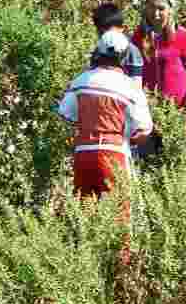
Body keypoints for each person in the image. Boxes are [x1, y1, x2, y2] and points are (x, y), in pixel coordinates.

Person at [57, 29, 153, 202]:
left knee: (85, 216)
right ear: (124, 56)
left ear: (98, 52)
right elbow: (143, 130)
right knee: (119, 218)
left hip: (83, 154)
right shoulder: (130, 87)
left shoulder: (81, 80)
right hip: (114, 153)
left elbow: (66, 114)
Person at [131, 0, 186, 134]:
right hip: (149, 115)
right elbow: (129, 72)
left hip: (179, 115)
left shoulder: (182, 36)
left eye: (161, 8)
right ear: (146, 8)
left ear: (170, 10)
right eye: (152, 7)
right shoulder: (138, 37)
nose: (156, 13)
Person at [89, 2, 143, 90]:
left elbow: (136, 85)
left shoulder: (132, 52)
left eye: (111, 32)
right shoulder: (98, 50)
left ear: (122, 28)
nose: (107, 37)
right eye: (102, 33)